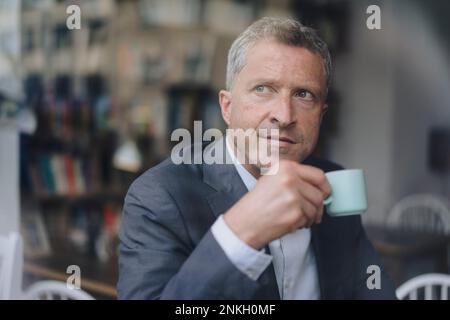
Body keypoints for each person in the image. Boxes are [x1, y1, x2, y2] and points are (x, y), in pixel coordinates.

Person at [118, 17, 397, 299]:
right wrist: (240, 232)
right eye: (263, 89)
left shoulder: (332, 181)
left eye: (303, 94)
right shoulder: (159, 196)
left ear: (321, 116)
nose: (284, 115)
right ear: (227, 107)